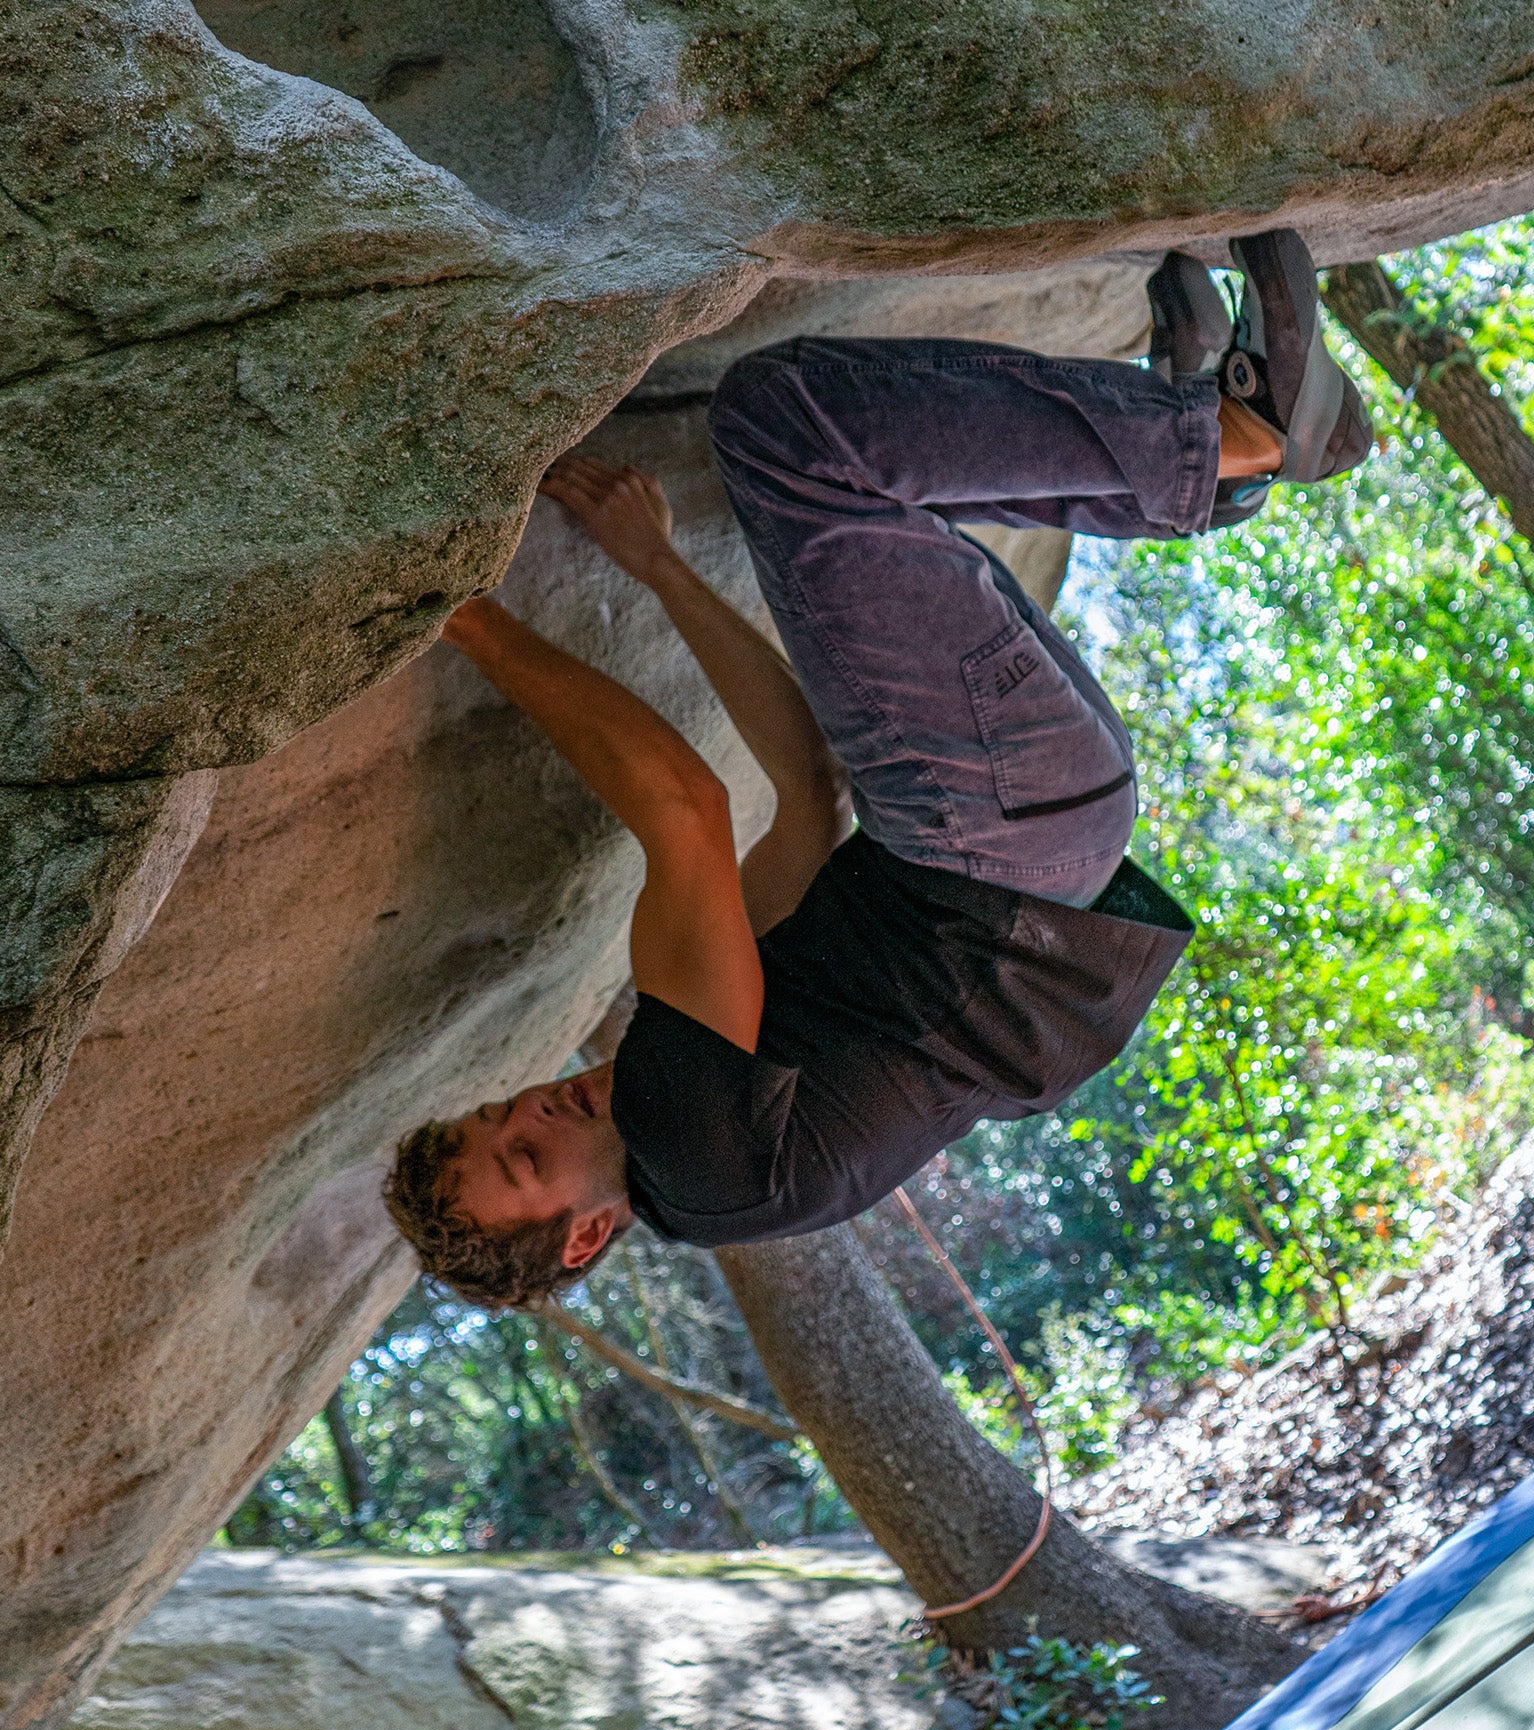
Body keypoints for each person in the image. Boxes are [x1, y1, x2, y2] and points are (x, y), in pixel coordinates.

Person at [384, 229, 1371, 1305]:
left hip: (1046, 818)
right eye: (527, 1162)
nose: (534, 1112)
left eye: (500, 1113)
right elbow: (680, 804)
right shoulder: (686, 1137)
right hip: (995, 820)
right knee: (788, 430)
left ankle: (1201, 478)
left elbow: (805, 793)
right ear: (581, 1239)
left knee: (875, 500)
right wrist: (472, 622)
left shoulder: (720, 1134)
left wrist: (662, 567)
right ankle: (1231, 438)